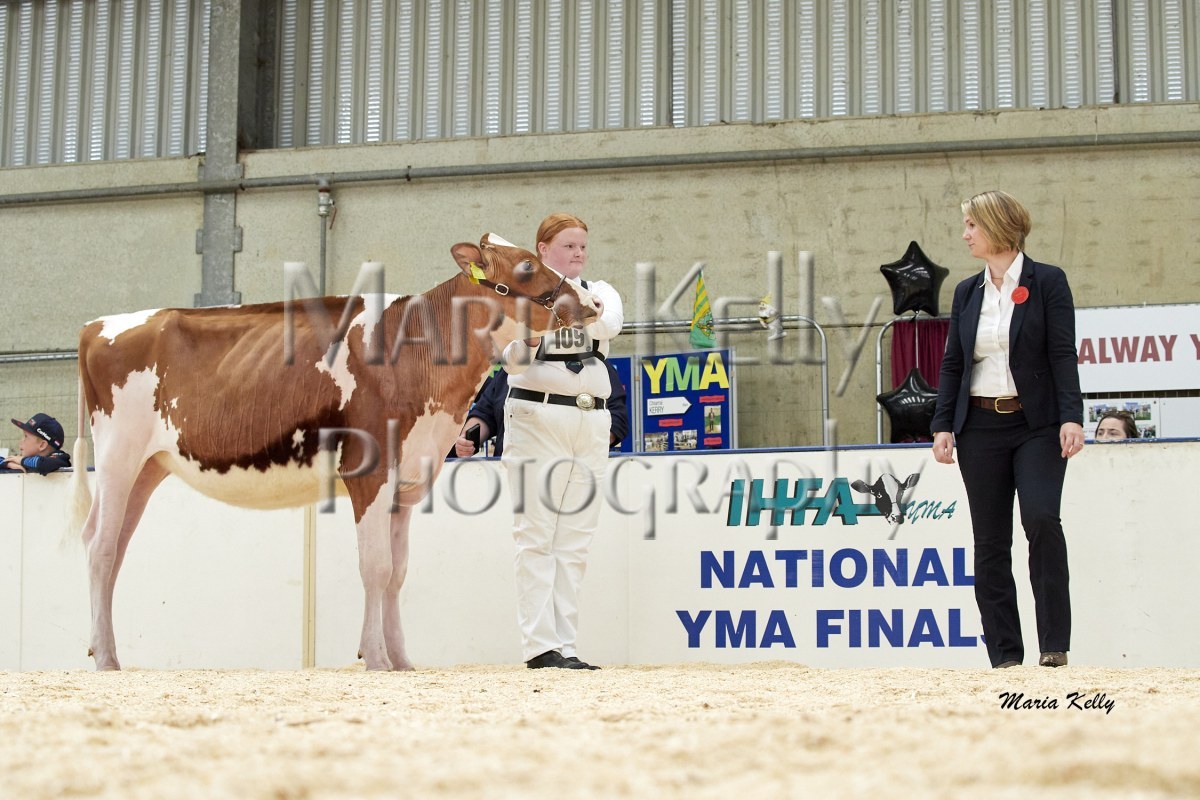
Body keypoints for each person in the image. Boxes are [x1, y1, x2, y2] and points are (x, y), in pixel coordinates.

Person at [930, 190, 1084, 670]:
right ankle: (1005, 657)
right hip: (978, 427)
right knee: (991, 542)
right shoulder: (966, 291)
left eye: (972, 225)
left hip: (1036, 424)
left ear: (998, 226)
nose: (965, 234)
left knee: (1042, 520)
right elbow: (954, 362)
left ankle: (1053, 645)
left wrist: (1071, 415)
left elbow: (1062, 353)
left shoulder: (1048, 281)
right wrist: (942, 424)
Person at [485, 213, 623, 670]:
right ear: (542, 250)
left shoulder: (602, 290)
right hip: (535, 416)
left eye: (582, 245)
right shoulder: (516, 297)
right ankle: (540, 647)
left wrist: (557, 315)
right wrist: (554, 318)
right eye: (568, 246)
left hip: (591, 419)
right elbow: (512, 360)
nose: (578, 253)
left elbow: (608, 324)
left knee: (575, 540)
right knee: (536, 535)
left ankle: (567, 645)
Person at [453, 362, 629, 458]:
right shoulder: (512, 369)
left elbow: (617, 420)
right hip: (510, 470)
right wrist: (466, 441)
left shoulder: (594, 366)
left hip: (571, 470)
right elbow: (485, 413)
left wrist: (586, 449)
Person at [2, 413, 72, 475]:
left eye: (26, 436)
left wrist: (22, 460)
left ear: (42, 445)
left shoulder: (60, 458)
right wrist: (7, 464)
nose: (20, 441)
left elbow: (44, 464)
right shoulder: (22, 459)